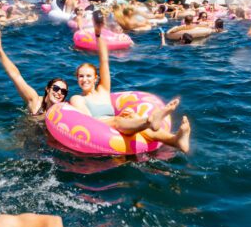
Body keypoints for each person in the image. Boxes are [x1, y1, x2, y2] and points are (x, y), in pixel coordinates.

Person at [70, 11, 190, 152]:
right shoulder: (77, 98)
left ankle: (175, 140)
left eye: (88, 76)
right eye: (81, 76)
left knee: (131, 117)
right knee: (118, 121)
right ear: (77, 79)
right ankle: (150, 121)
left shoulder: (103, 90)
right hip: (101, 129)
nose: (85, 80)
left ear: (96, 78)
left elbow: (104, 60)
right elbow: (88, 122)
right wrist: (117, 119)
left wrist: (98, 33)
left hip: (120, 125)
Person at [0, 28, 68, 118]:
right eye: (56, 88)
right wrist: (0, 49)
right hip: (25, 131)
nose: (59, 92)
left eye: (63, 91)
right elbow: (15, 76)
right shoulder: (35, 102)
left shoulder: (63, 112)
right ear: (47, 89)